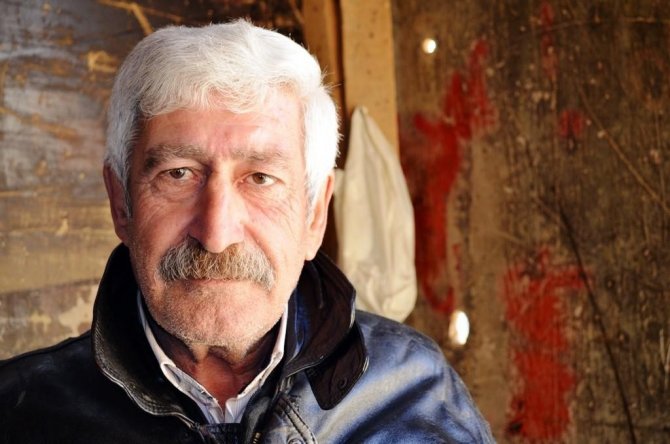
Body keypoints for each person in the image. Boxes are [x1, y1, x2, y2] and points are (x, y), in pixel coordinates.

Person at [0, 20, 493, 443]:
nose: (216, 235)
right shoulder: (21, 411)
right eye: (178, 174)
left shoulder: (416, 392)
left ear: (314, 215)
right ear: (121, 204)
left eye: (260, 178)